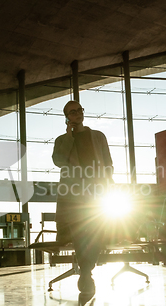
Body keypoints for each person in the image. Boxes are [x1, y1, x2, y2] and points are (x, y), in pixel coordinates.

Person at [52, 100, 113, 294]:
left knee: (95, 228)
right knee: (80, 229)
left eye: (80, 110)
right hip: (74, 196)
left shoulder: (98, 136)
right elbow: (59, 161)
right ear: (67, 117)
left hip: (96, 193)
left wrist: (108, 184)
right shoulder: (62, 140)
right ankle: (86, 272)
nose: (78, 113)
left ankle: (86, 271)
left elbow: (108, 163)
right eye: (73, 112)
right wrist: (70, 135)